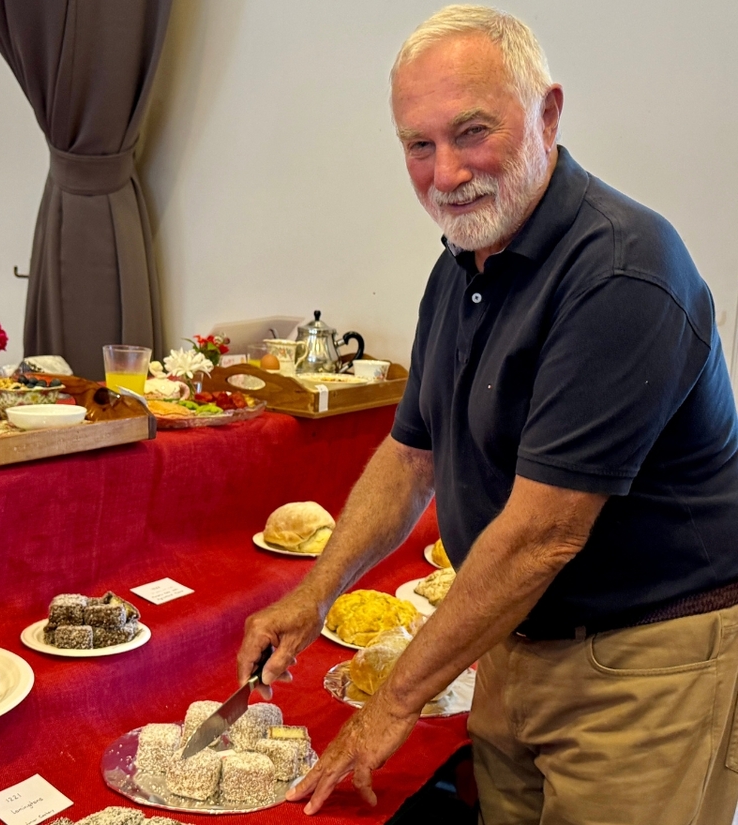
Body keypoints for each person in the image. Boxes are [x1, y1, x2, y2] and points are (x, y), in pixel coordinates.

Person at [237, 6, 738, 823]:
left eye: (472, 131)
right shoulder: (463, 264)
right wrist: (316, 591)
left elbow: (545, 533)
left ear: (547, 113)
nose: (446, 173)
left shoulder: (622, 269)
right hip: (511, 639)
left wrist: (393, 703)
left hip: (647, 664)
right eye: (418, 145)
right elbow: (410, 457)